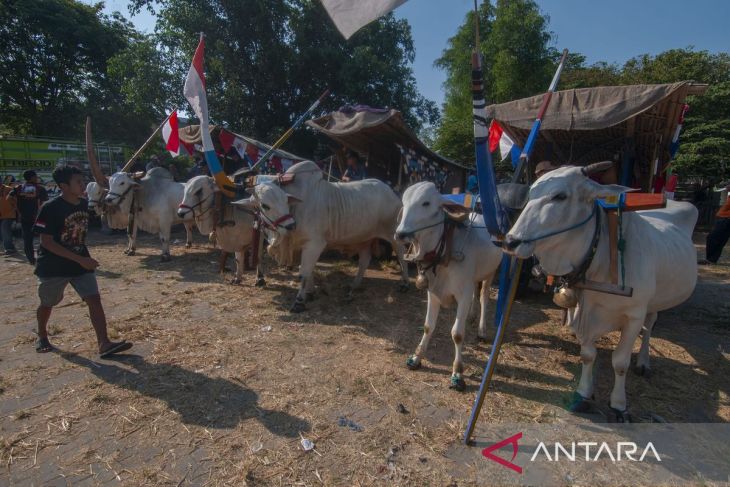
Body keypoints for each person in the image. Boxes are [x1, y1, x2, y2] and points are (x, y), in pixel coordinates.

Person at [33, 165, 132, 357]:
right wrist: (80, 259)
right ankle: (42, 335)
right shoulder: (50, 208)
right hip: (53, 266)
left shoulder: (83, 204)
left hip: (80, 263)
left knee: (94, 300)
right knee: (48, 303)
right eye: (78, 182)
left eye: (82, 181)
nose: (83, 185)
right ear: (64, 186)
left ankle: (104, 343)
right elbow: (47, 242)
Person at [10, 170, 48, 264]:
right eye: (35, 176)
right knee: (44, 236)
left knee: (27, 239)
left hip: (24, 217)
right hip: (39, 218)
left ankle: (31, 259)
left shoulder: (18, 188)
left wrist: (17, 209)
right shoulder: (39, 188)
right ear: (32, 177)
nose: (37, 177)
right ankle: (42, 255)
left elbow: (9, 198)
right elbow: (45, 203)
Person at [701, 180, 730, 265]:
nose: (728, 186)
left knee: (713, 238)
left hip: (726, 219)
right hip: (723, 218)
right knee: (719, 240)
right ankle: (711, 259)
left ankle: (711, 259)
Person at [1, 177, 18, 254]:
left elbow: (16, 200)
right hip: (1, 214)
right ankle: (10, 247)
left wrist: (15, 209)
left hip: (9, 214)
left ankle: (10, 249)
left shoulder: (8, 189)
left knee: (5, 230)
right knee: (3, 231)